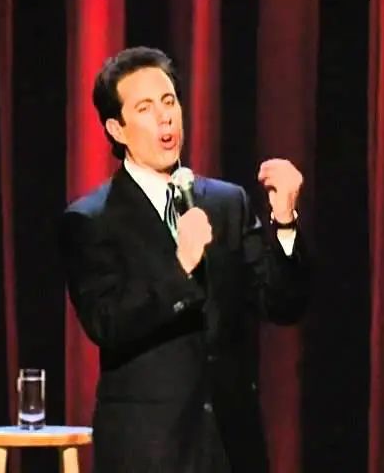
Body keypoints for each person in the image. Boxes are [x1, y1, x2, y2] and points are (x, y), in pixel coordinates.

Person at [59, 46, 308, 473]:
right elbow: (107, 323)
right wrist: (180, 268)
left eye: (169, 101)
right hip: (149, 448)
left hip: (233, 443)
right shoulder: (91, 219)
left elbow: (282, 305)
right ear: (117, 129)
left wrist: (285, 222)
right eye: (145, 108)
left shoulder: (227, 203)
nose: (165, 118)